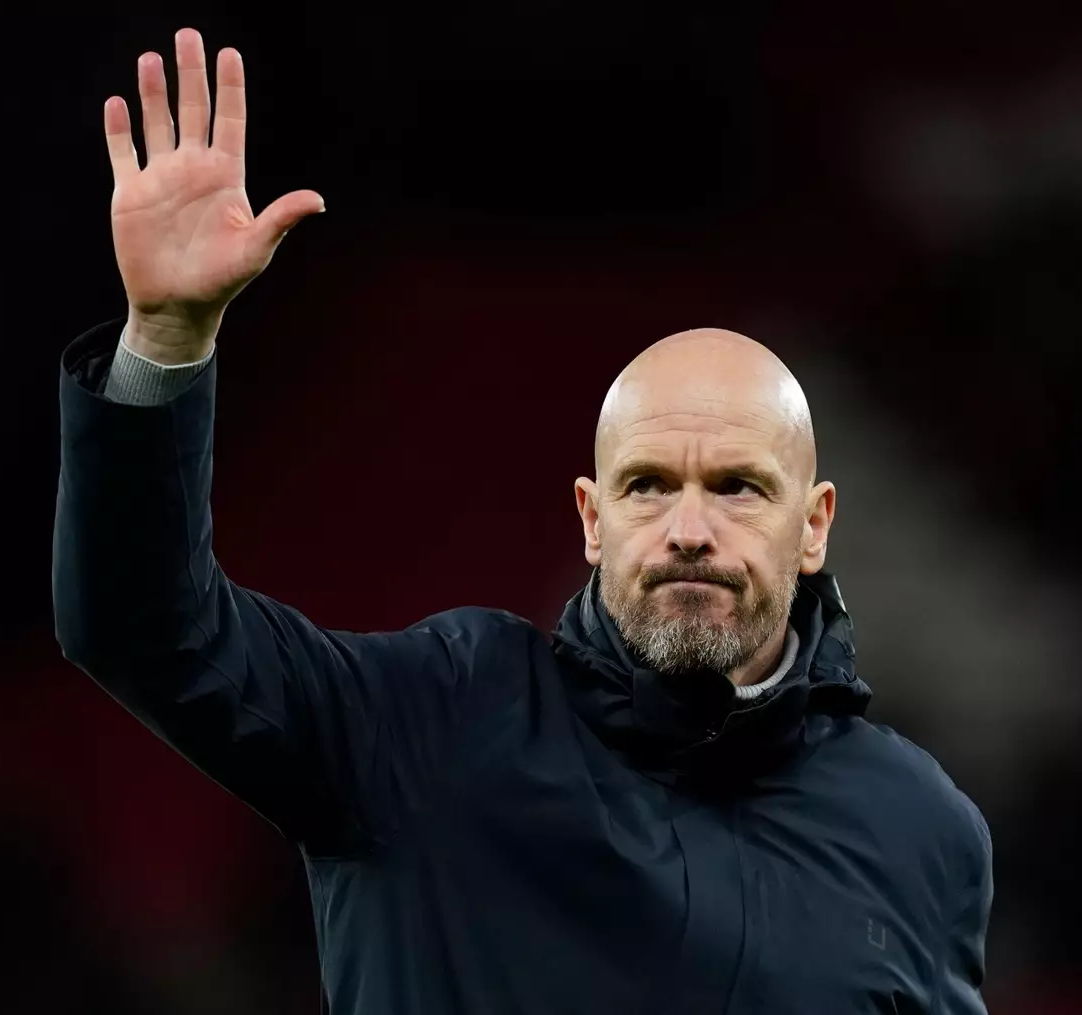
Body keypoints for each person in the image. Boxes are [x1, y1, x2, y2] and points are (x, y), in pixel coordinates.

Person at [52, 27, 992, 1015]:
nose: (688, 527)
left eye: (739, 487)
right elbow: (146, 630)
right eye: (646, 485)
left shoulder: (920, 827)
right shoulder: (439, 720)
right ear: (591, 520)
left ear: (815, 524)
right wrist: (163, 343)